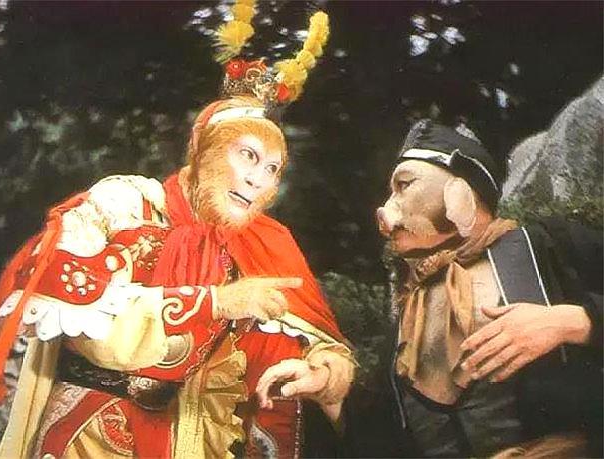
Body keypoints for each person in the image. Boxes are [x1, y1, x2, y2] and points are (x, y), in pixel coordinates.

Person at [0, 6, 355, 458]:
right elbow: (88, 329)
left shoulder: (265, 244)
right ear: (201, 149)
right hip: (95, 437)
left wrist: (326, 372)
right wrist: (215, 302)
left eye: (273, 168)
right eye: (248, 155)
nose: (258, 180)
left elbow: (314, 343)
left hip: (196, 441)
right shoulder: (125, 202)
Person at [257, 120, 602, 457]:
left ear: (460, 191)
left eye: (404, 185)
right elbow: (381, 446)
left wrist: (575, 321)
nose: (387, 207)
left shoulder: (545, 247)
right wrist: (330, 397)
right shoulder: (408, 321)